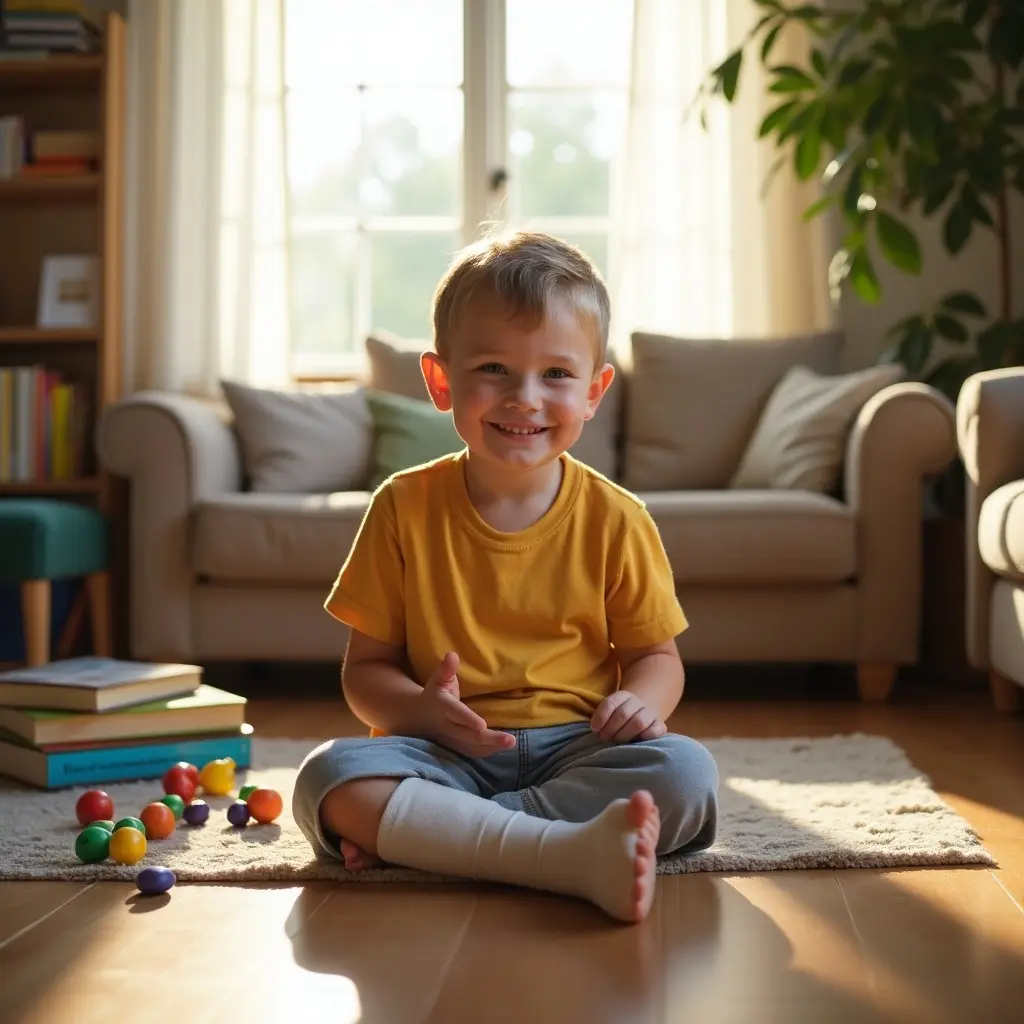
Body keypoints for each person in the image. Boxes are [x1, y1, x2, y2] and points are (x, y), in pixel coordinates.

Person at [292, 230, 719, 923]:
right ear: (439, 381)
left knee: (687, 774)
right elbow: (365, 673)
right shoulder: (401, 507)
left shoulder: (619, 519)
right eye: (493, 368)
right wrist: (419, 713)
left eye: (556, 374)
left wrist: (642, 703)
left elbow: (656, 659)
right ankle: (560, 852)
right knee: (328, 778)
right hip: (440, 751)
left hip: (580, 746)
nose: (525, 398)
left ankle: (448, 837)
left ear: (594, 391)